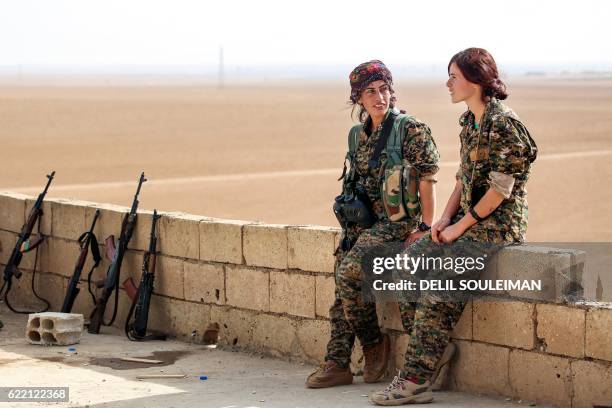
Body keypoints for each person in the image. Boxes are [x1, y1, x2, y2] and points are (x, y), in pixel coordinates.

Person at [369, 48, 538, 405]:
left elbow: (499, 191)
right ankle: (432, 354)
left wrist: (459, 228)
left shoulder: (503, 124)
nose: (448, 83)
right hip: (464, 222)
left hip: (496, 229)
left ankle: (414, 380)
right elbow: (463, 178)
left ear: (476, 81)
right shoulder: (470, 122)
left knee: (437, 290)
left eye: (454, 77)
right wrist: (444, 218)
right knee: (405, 264)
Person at [306, 60, 440, 388]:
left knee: (351, 270)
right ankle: (337, 361)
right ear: (359, 99)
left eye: (384, 90)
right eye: (370, 91)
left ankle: (373, 345)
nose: (379, 97)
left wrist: (423, 228)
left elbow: (428, 179)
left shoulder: (409, 128)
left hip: (398, 224)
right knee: (343, 277)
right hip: (368, 224)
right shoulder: (358, 135)